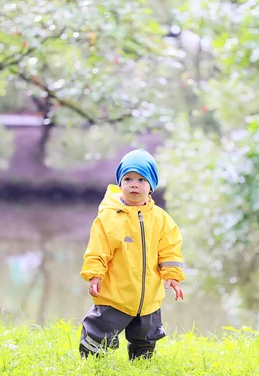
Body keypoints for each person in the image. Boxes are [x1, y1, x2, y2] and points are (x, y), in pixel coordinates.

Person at [79, 149, 185, 360]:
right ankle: (91, 360)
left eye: (141, 179)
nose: (134, 184)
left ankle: (141, 363)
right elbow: (97, 250)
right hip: (116, 294)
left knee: (146, 337)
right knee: (100, 331)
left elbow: (169, 249)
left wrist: (172, 275)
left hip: (149, 297)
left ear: (151, 186)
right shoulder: (109, 218)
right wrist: (94, 275)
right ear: (120, 184)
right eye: (128, 179)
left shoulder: (161, 219)